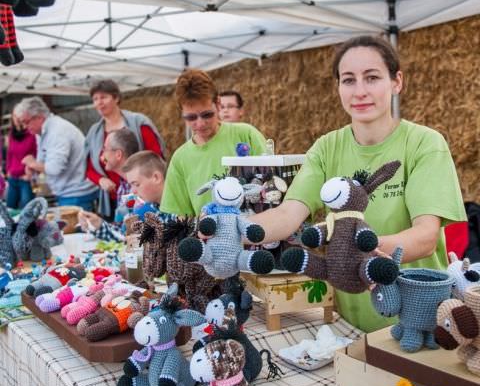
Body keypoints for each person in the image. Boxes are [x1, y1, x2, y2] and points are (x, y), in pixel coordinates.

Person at [250, 35, 466, 333]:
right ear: (337, 87)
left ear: (397, 82)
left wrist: (352, 256)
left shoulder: (424, 144)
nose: (360, 91)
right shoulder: (327, 147)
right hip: (348, 323)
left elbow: (425, 236)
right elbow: (288, 215)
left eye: (372, 77)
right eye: (348, 80)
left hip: (419, 321)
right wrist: (235, 230)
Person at [160, 69, 267, 217]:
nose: (200, 123)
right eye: (191, 117)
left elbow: (272, 187)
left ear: (218, 104)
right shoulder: (180, 158)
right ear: (181, 113)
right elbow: (180, 216)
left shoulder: (246, 135)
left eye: (207, 114)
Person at [85, 79, 166, 220]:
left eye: (103, 97)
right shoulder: (94, 132)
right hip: (112, 196)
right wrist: (100, 180)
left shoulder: (138, 122)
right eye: (95, 99)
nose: (99, 102)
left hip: (141, 193)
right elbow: (88, 167)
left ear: (116, 98)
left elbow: (155, 157)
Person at [15, 96, 98, 211]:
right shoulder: (43, 132)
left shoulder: (57, 132)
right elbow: (43, 161)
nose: (25, 127)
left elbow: (54, 169)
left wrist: (33, 163)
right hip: (69, 192)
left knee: (76, 229)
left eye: (26, 122)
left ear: (39, 117)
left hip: (77, 194)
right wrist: (33, 166)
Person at [79, 151, 174, 242]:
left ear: (156, 178)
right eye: (131, 185)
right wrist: (98, 225)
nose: (133, 191)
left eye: (136, 184)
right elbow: (125, 237)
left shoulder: (179, 211)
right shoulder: (147, 208)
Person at [78, 127, 140, 238]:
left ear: (118, 155)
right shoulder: (124, 185)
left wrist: (99, 225)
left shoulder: (137, 189)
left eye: (105, 149)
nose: (101, 156)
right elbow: (123, 233)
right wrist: (97, 224)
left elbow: (132, 238)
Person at [5, 106, 37, 209]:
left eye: (19, 116)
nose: (17, 119)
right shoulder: (11, 135)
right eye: (15, 116)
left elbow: (36, 155)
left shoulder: (31, 134)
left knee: (26, 210)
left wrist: (31, 173)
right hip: (12, 178)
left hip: (25, 179)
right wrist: (8, 171)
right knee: (9, 209)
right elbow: (9, 154)